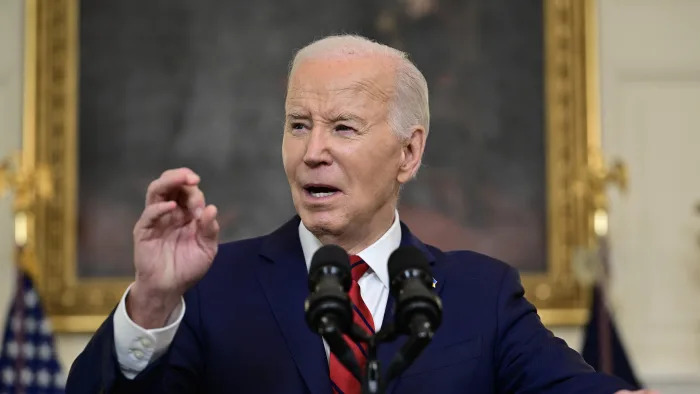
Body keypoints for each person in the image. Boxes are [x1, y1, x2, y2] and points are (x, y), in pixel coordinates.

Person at [66, 35, 654, 394]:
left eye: (343, 128)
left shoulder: (482, 294)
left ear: (409, 152)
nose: (313, 150)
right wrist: (150, 302)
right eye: (299, 125)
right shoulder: (211, 286)